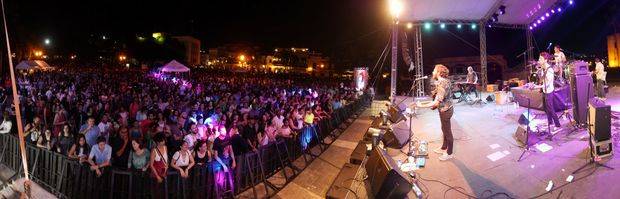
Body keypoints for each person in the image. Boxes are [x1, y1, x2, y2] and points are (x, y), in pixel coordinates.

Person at [416, 64, 454, 161]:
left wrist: (421, 106)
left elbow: (436, 102)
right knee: (444, 129)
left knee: (447, 132)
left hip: (446, 110)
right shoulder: (443, 81)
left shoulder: (442, 83)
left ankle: (449, 153)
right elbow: (437, 100)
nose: (432, 72)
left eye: (434, 70)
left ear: (438, 72)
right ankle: (443, 148)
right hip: (445, 109)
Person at [538, 52, 561, 131]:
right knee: (546, 108)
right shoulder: (543, 68)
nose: (539, 60)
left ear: (545, 60)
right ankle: (550, 122)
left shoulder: (550, 69)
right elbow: (542, 80)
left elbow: (547, 84)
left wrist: (537, 86)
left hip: (549, 91)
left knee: (550, 108)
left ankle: (557, 124)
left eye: (540, 59)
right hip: (544, 90)